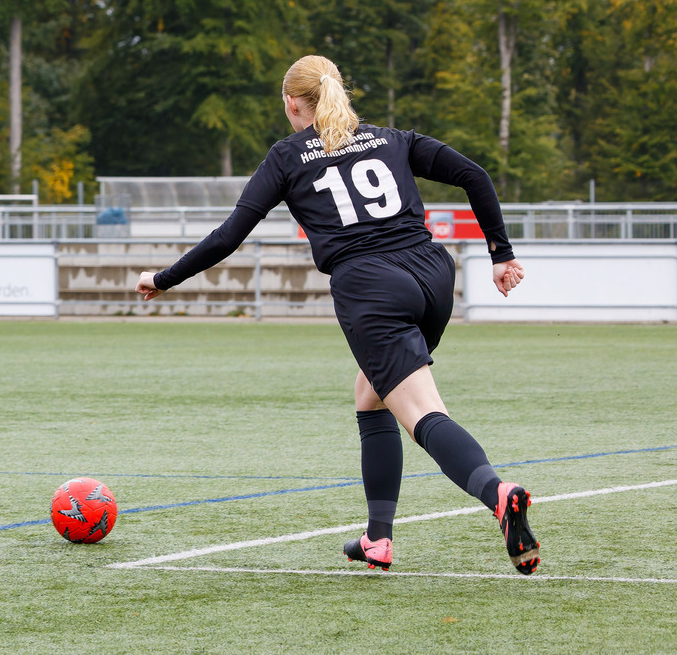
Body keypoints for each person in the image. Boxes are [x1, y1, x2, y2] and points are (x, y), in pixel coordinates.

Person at [135, 55, 539, 575]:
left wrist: (162, 278)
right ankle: (378, 539)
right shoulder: (393, 139)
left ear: (291, 103)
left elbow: (229, 236)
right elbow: (473, 175)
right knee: (370, 396)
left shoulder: (286, 157)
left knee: (421, 414)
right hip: (433, 276)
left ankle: (498, 494)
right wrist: (500, 254)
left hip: (371, 288)